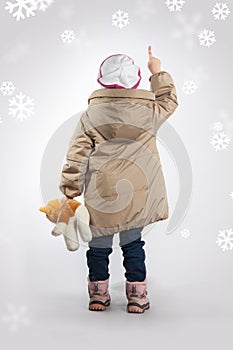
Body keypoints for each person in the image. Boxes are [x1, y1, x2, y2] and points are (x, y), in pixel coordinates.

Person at [59, 46, 178, 313]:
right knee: (132, 243)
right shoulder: (149, 111)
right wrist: (157, 73)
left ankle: (98, 295)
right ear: (136, 82)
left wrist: (70, 189)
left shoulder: (91, 115)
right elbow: (169, 100)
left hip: (102, 194)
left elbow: (76, 154)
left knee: (98, 245)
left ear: (101, 82)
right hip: (138, 193)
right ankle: (137, 295)